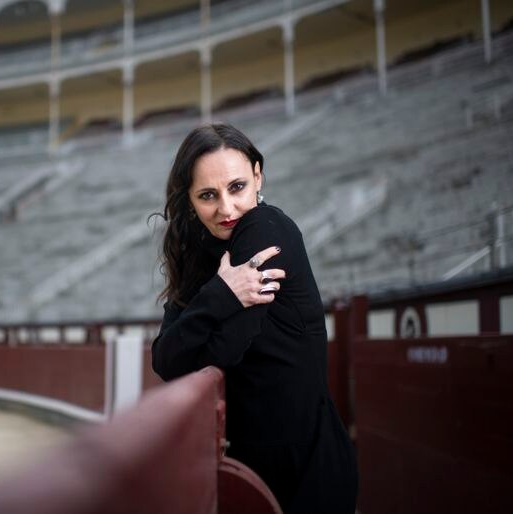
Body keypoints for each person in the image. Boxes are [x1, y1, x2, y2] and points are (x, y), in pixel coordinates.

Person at [151, 123, 358, 513]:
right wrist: (222, 292)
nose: (226, 209)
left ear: (258, 176)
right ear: (190, 198)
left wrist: (201, 319)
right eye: (208, 195)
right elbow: (165, 359)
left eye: (237, 187)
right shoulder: (197, 252)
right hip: (249, 470)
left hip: (307, 472)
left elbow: (223, 350)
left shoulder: (266, 229)